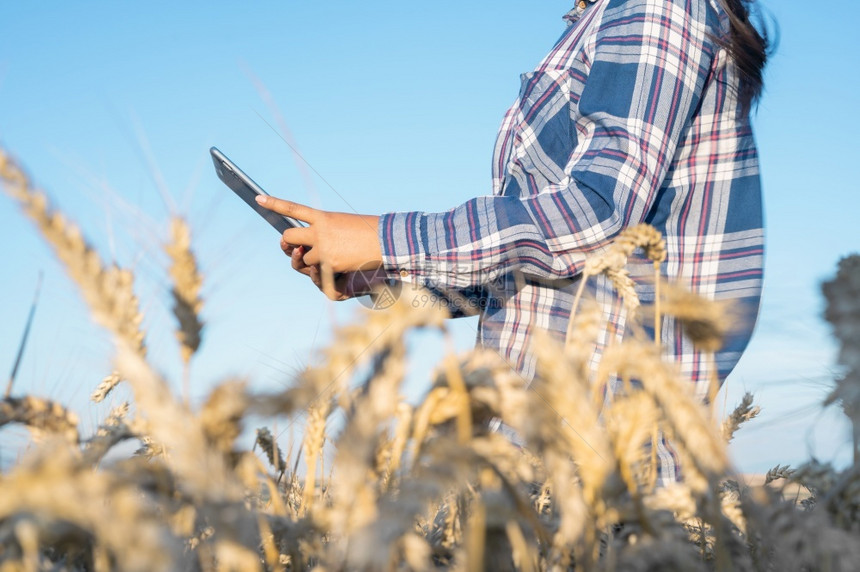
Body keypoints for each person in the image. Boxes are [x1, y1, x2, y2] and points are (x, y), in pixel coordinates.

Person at [256, 0, 770, 486]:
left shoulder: (654, 6)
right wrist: (383, 281)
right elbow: (533, 271)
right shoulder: (601, 18)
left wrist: (385, 236)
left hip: (592, 440)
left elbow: (598, 210)